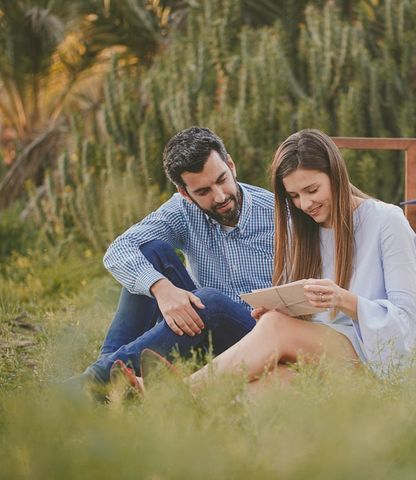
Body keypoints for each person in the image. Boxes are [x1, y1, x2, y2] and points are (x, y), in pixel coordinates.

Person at [169, 128, 416, 391]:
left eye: (312, 189)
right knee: (260, 389)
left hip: (370, 356)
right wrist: (282, 309)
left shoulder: (388, 221)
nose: (305, 204)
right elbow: (308, 318)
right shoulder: (300, 229)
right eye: (294, 196)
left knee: (275, 327)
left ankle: (178, 393)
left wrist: (343, 300)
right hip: (320, 355)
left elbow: (407, 324)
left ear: (335, 174)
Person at [69, 126, 274, 393]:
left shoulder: (277, 214)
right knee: (150, 250)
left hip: (256, 335)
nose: (220, 196)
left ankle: (97, 382)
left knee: (211, 301)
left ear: (231, 165)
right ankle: (111, 375)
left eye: (222, 179)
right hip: (200, 330)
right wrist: (161, 288)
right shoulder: (183, 210)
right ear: (185, 194)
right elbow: (119, 249)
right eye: (203, 192)